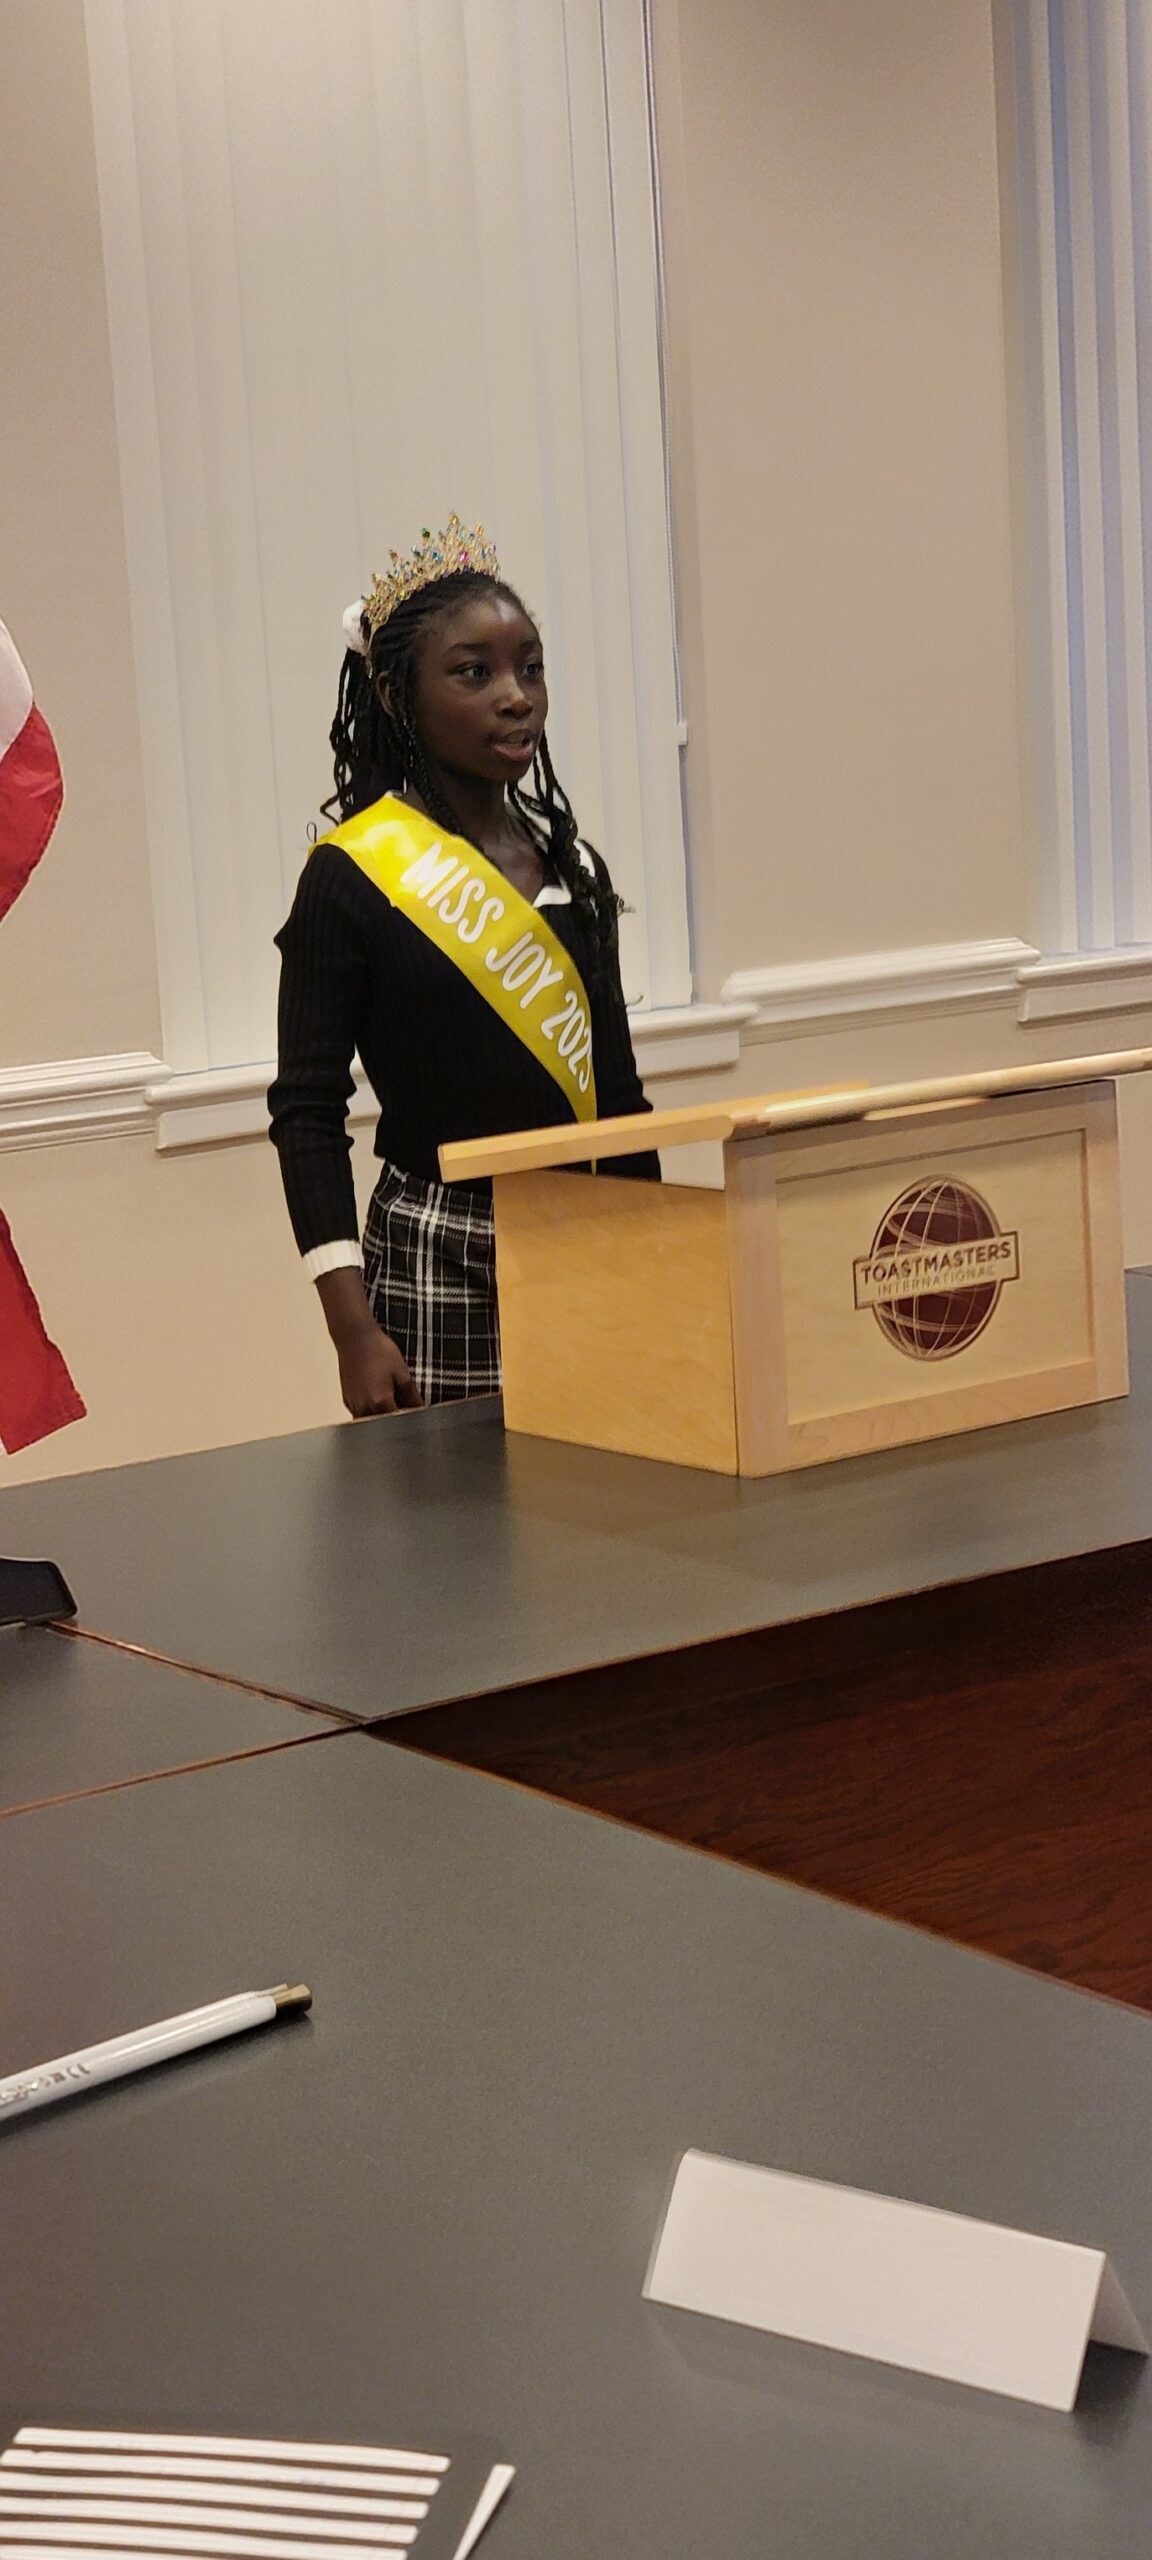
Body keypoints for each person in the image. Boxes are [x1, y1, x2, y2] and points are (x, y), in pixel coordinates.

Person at [269, 515, 659, 1419]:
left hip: (584, 1235)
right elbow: (307, 1114)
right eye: (474, 673)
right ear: (398, 696)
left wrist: (657, 1260)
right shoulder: (353, 874)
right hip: (434, 1250)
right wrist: (351, 1329)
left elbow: (619, 1096)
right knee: (455, 1507)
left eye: (532, 668)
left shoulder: (574, 868)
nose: (516, 696)